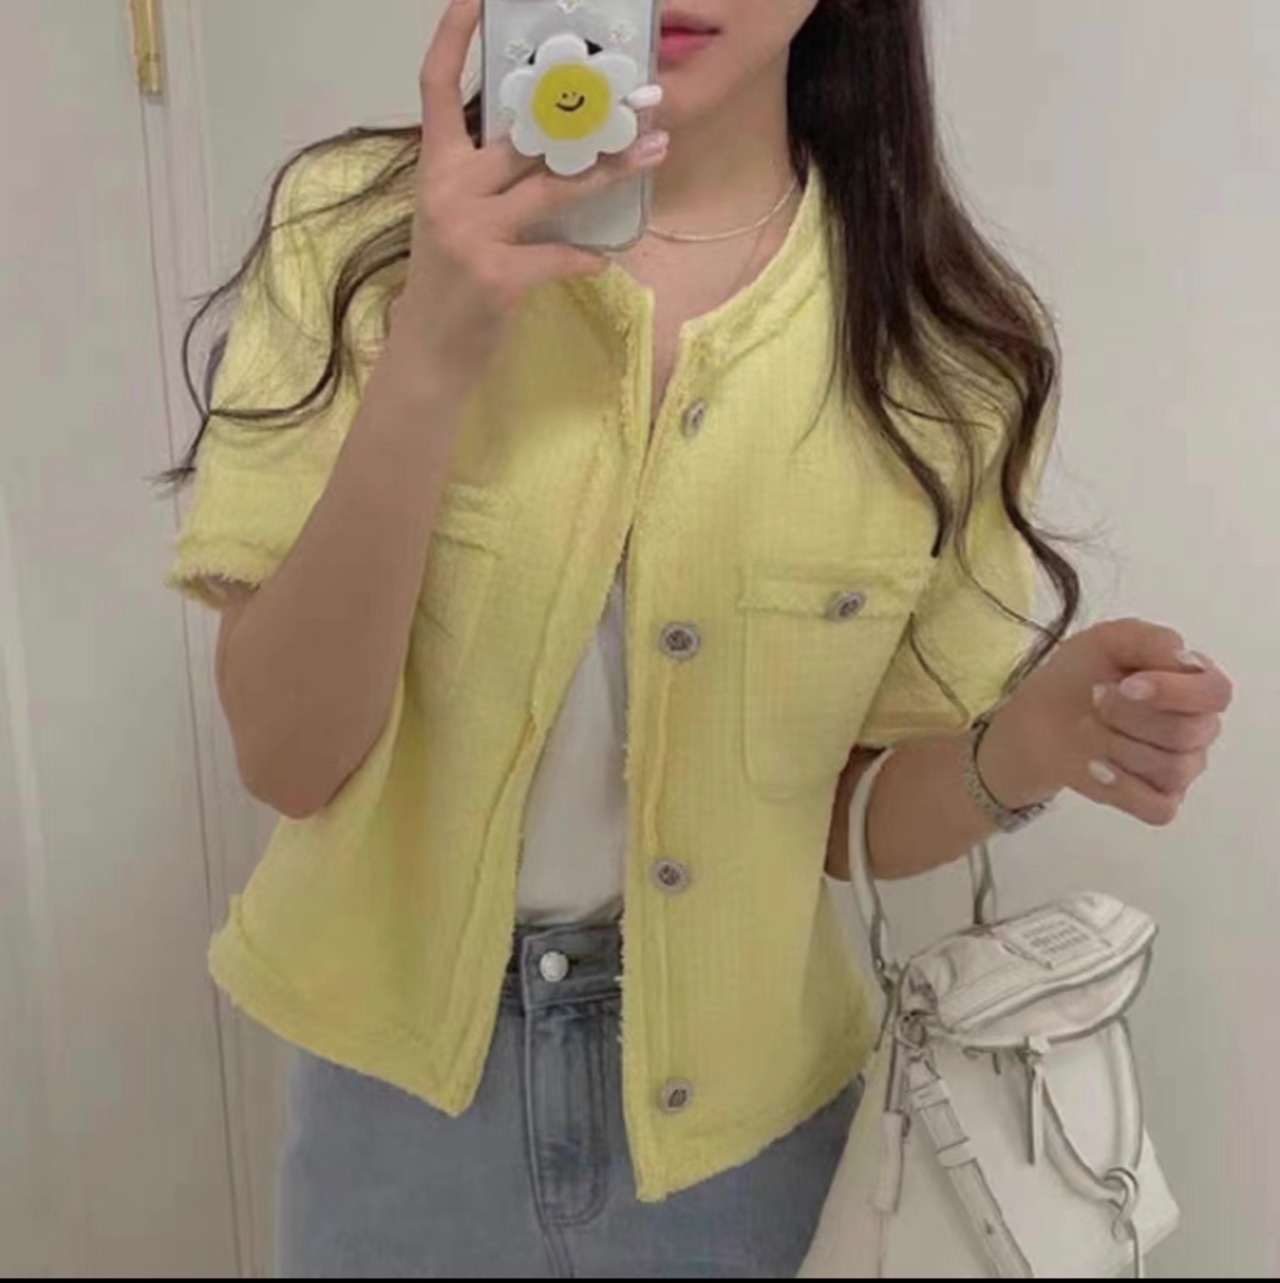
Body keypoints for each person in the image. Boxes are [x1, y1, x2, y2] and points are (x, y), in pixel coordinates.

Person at [167, 2, 1234, 1277]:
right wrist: (429, 359)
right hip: (393, 1113)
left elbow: (844, 824)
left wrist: (1029, 741)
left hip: (746, 1136)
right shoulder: (353, 232)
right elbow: (287, 757)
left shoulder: (942, 345)